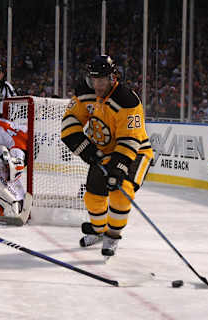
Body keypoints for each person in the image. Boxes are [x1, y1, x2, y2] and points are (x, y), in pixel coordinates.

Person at [61, 55, 153, 258]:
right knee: (93, 196)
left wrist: (119, 167)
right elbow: (69, 125)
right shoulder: (85, 93)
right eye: (94, 79)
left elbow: (130, 140)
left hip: (135, 152)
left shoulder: (127, 100)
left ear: (112, 77)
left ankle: (112, 235)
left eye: (102, 79)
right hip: (104, 153)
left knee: (121, 191)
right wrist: (88, 151)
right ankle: (98, 229)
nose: (98, 84)